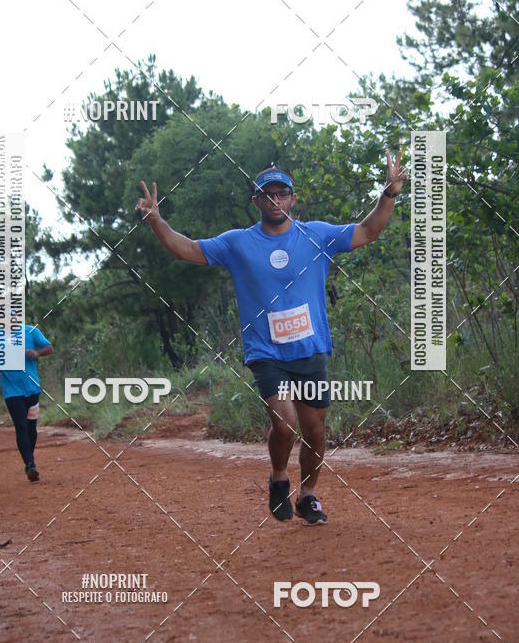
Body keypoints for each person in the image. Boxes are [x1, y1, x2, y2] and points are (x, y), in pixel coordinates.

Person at [135, 153, 407, 525]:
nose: (276, 200)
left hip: (310, 349)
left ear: (293, 199)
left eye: (282, 194)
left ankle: (308, 495)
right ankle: (279, 478)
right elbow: (188, 248)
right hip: (266, 351)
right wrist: (156, 222)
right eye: (268, 195)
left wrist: (389, 194)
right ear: (257, 202)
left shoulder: (317, 236)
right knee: (284, 422)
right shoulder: (237, 243)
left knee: (315, 430)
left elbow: (368, 230)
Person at [0, 325, 53, 482]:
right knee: (21, 425)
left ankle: (29, 457)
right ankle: (30, 464)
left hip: (32, 388)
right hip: (11, 391)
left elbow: (49, 348)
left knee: (31, 427)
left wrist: (36, 353)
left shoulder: (31, 331)